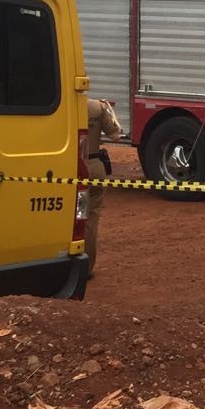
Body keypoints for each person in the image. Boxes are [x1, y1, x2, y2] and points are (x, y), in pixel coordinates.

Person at [85, 98, 122, 277]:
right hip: (94, 166)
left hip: (70, 167)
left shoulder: (61, 106)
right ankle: (87, 267)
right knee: (91, 217)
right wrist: (110, 110)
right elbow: (116, 134)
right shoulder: (97, 107)